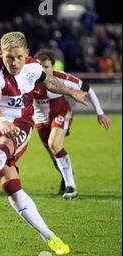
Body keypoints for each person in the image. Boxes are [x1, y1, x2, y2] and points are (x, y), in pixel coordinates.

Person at [0, 32, 89, 255]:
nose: (14, 63)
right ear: (0, 55)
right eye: (9, 58)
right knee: (11, 187)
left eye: (18, 57)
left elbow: (49, 82)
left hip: (21, 122)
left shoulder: (34, 67)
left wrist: (70, 91)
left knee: (5, 145)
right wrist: (1, 120)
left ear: (27, 54)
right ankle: (50, 237)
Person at [33, 48, 112, 199]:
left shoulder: (62, 78)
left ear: (53, 67)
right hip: (40, 120)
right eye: (39, 67)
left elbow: (88, 89)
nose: (42, 70)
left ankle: (71, 188)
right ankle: (66, 178)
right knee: (54, 155)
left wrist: (100, 113)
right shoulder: (30, 79)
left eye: (46, 66)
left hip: (61, 113)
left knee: (54, 144)